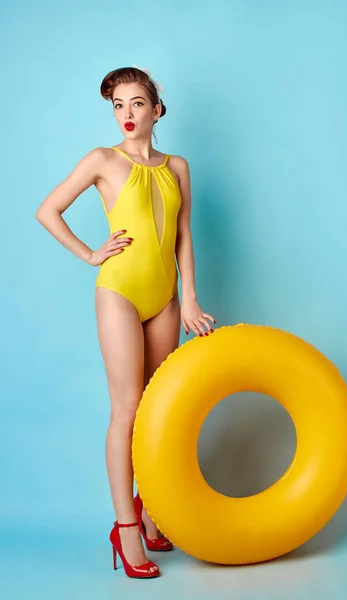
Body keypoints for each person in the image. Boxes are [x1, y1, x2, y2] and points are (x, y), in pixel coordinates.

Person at [35, 65, 217, 579]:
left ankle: (152, 509)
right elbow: (48, 210)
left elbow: (183, 236)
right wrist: (91, 254)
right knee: (128, 407)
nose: (127, 115)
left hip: (165, 298)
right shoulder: (101, 160)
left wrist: (190, 300)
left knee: (158, 406)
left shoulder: (177, 165)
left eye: (137, 103)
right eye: (118, 105)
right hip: (119, 290)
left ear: (157, 109)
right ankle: (127, 528)